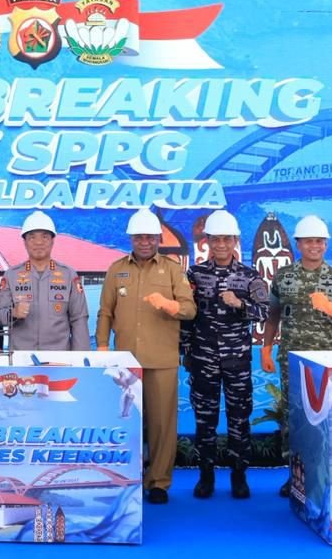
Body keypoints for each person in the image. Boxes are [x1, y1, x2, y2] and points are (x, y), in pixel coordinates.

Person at [95, 207, 196, 505]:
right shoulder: (116, 269)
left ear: (158, 239)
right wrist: (102, 346)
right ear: (131, 238)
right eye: (139, 237)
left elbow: (190, 310)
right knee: (127, 421)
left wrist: (170, 305)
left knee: (163, 425)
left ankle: (159, 482)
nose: (145, 242)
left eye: (150, 237)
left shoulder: (173, 269)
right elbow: (105, 312)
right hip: (126, 363)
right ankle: (129, 476)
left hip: (162, 359)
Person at [260, 214, 332, 497]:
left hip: (325, 363)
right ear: (298, 244)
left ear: (326, 244)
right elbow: (273, 315)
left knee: (324, 418)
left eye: (319, 241)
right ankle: (295, 476)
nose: (315, 246)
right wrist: (266, 348)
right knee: (294, 418)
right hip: (291, 360)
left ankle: (323, 475)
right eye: (308, 241)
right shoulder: (283, 276)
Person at [180, 210, 268, 500]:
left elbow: (264, 312)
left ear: (235, 241)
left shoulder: (249, 275)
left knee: (239, 418)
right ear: (206, 241)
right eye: (215, 239)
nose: (221, 245)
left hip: (237, 361)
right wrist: (185, 351)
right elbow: (187, 317)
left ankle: (239, 475)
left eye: (226, 239)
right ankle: (205, 474)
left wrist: (239, 304)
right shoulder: (194, 274)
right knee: (204, 419)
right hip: (203, 358)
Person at [0, 211, 90, 351]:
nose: (38, 242)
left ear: (52, 240)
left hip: (59, 356)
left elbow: (79, 319)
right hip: (21, 355)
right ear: (24, 242)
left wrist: (81, 357)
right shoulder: (11, 275)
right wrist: (13, 313)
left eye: (44, 237)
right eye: (32, 237)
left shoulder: (69, 275)